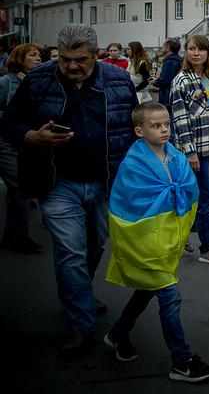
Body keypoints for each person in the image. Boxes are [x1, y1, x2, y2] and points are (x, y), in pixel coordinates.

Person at [0, 24, 135, 359]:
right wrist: (31, 136)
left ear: (96, 54)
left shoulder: (117, 80)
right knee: (70, 251)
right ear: (58, 54)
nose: (73, 66)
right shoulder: (39, 79)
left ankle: (80, 293)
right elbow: (9, 121)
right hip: (57, 182)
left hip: (106, 183)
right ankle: (81, 323)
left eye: (81, 60)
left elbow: (134, 124)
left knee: (94, 246)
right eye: (66, 60)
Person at [102, 102, 209, 383]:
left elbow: (189, 192)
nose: (164, 129)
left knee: (145, 290)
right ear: (139, 131)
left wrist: (180, 231)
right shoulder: (132, 165)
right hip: (144, 245)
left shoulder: (176, 156)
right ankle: (182, 360)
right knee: (169, 295)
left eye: (166, 124)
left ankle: (117, 334)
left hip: (166, 242)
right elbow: (128, 207)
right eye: (156, 125)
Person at [170, 35, 209, 265]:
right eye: (191, 49)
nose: (196, 53)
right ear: (186, 52)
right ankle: (208, 247)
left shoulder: (208, 79)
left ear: (207, 53)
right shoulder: (181, 81)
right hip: (196, 149)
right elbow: (180, 118)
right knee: (205, 197)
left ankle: (183, 227)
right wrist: (189, 151)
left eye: (201, 49)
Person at [0, 42, 44, 253]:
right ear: (19, 59)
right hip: (5, 142)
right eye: (32, 55)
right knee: (19, 187)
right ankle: (18, 236)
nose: (38, 58)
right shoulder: (6, 83)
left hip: (26, 143)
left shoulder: (37, 82)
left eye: (39, 55)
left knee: (19, 189)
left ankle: (12, 234)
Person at [154, 39, 182, 116]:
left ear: (168, 47)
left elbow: (165, 80)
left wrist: (155, 82)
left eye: (163, 46)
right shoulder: (177, 59)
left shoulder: (170, 61)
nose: (162, 48)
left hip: (168, 97)